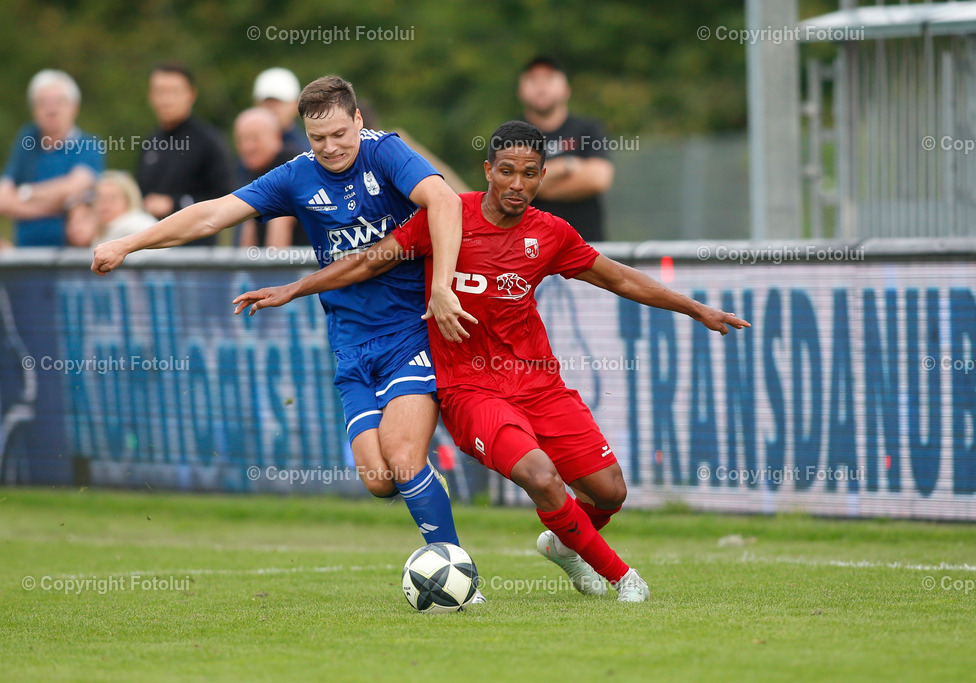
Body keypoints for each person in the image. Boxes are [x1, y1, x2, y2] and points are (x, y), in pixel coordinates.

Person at [231, 121, 750, 602]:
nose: (517, 184)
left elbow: (618, 277)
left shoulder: (550, 234)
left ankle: (565, 544)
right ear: (488, 172)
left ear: (542, 176)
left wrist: (695, 308)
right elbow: (370, 258)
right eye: (506, 171)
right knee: (541, 476)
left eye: (529, 174)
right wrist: (294, 288)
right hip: (469, 391)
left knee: (610, 490)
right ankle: (623, 578)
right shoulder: (446, 217)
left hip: (540, 385)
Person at [92, 76, 482, 601]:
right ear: (304, 133)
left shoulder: (386, 153)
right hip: (349, 342)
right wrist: (130, 241)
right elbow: (212, 214)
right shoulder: (297, 176)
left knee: (404, 456)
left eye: (340, 134)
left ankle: (458, 576)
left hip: (409, 331)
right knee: (378, 477)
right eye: (318, 138)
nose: (331, 147)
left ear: (358, 121)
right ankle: (430, 487)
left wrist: (440, 288)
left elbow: (445, 201)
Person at [0, 69, 104, 246]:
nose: (51, 110)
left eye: (59, 102)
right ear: (34, 109)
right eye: (43, 103)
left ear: (74, 107)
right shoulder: (26, 142)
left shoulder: (89, 145)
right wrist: (56, 205)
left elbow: (73, 189)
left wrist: (24, 193)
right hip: (25, 258)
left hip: (72, 260)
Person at [136, 61, 234, 244]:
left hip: (195, 256)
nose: (165, 99)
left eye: (173, 91)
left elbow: (226, 200)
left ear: (191, 94)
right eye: (159, 92)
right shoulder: (151, 142)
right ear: (150, 96)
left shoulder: (209, 141)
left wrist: (174, 204)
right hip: (153, 253)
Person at [518, 56, 614, 242]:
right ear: (520, 90)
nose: (541, 86)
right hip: (530, 249)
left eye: (549, 79)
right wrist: (566, 166)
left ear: (566, 89)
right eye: (532, 79)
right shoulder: (512, 133)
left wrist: (537, 184)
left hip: (587, 247)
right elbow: (510, 187)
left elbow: (598, 179)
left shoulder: (588, 129)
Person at [232, 107, 302, 247]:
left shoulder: (290, 166)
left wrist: (270, 267)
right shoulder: (253, 169)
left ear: (276, 137)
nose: (247, 147)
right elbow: (249, 222)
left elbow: (281, 223)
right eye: (242, 140)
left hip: (306, 264)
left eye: (255, 138)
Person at [67, 171, 157, 247]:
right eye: (100, 198)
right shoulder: (103, 234)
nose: (105, 204)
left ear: (128, 200)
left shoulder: (137, 228)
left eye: (112, 198)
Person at [253, 67, 311, 154]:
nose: (271, 108)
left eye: (278, 102)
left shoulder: (306, 152)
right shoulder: (249, 152)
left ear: (296, 105)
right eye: (266, 102)